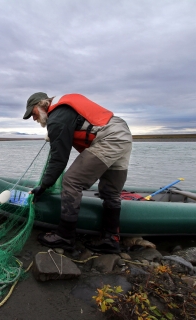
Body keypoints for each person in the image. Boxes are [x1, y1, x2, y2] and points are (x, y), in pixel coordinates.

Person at [22, 92, 132, 253]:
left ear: (42, 105)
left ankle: (65, 236)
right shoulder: (62, 112)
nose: (34, 118)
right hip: (122, 133)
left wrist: (44, 186)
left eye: (33, 113)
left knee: (71, 180)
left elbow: (58, 159)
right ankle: (110, 239)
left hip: (109, 138)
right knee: (111, 192)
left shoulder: (57, 116)